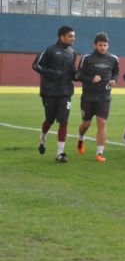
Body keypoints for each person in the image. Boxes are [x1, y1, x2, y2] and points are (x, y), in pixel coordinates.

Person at [32, 25, 77, 162]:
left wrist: (84, 77)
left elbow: (73, 72)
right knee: (49, 120)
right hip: (49, 92)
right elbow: (36, 65)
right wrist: (51, 73)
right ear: (61, 36)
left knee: (63, 121)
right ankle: (43, 136)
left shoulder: (72, 52)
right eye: (70, 36)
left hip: (66, 93)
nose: (73, 39)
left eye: (74, 36)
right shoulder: (49, 50)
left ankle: (60, 153)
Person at [76, 32, 119, 162]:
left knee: (102, 122)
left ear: (108, 45)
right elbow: (77, 75)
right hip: (88, 97)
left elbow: (116, 72)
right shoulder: (87, 58)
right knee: (86, 123)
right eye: (100, 45)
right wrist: (91, 79)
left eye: (105, 45)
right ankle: (81, 138)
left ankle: (99, 153)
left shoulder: (113, 59)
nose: (103, 48)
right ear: (95, 45)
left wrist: (114, 80)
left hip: (104, 97)